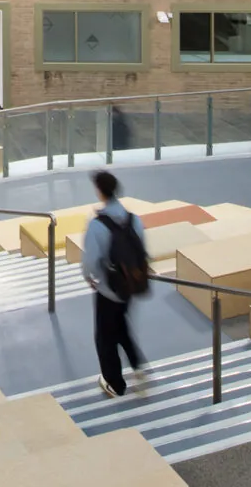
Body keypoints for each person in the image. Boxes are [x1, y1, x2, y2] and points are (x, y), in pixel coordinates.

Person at [81, 170, 150, 398]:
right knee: (121, 325)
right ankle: (139, 367)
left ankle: (114, 383)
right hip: (130, 285)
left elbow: (91, 260)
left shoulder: (97, 225)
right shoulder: (133, 219)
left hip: (108, 290)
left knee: (105, 337)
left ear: (100, 191)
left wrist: (89, 277)